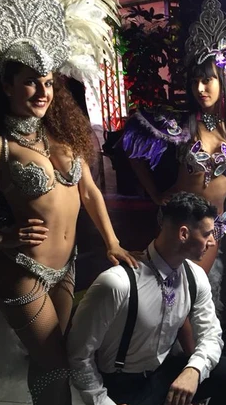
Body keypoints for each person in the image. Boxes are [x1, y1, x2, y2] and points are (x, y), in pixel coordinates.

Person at [122, 0, 226, 353]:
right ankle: (178, 360)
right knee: (173, 293)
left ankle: (196, 360)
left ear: (225, 79)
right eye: (195, 81)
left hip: (213, 227)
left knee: (196, 293)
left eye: (207, 80)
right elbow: (131, 145)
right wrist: (155, 194)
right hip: (177, 223)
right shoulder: (181, 125)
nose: (200, 89)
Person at [0, 1, 137, 404]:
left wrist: (112, 241)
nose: (43, 93)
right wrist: (4, 237)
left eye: (47, 83)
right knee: (55, 363)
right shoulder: (3, 147)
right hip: (24, 269)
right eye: (30, 82)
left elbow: (89, 191)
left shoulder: (59, 134)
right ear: (6, 86)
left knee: (53, 360)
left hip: (66, 269)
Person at [67, 192, 226, 405]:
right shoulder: (117, 283)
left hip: (163, 374)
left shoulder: (195, 276)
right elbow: (78, 356)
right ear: (184, 234)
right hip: (120, 385)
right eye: (207, 234)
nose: (212, 242)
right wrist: (102, 401)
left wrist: (194, 370)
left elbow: (211, 335)